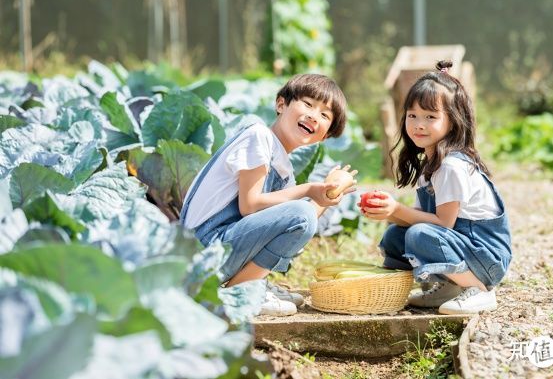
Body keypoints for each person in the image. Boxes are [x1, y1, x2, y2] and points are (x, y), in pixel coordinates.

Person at [181, 73, 356, 316]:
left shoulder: (283, 168)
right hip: (201, 252)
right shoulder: (259, 136)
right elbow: (250, 206)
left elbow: (298, 228)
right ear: (281, 104)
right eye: (307, 104)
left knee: (303, 216)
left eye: (324, 115)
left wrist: (325, 197)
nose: (313, 115)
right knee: (302, 212)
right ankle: (240, 291)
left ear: (325, 136)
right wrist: (308, 190)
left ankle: (252, 284)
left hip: (220, 251)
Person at [359, 60, 512, 314]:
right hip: (463, 246)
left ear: (453, 121)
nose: (419, 124)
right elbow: (420, 218)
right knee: (396, 235)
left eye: (430, 117)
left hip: (486, 258)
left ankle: (481, 290)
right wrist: (387, 212)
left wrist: (397, 207)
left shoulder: (452, 166)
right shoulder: (430, 163)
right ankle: (449, 286)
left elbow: (442, 225)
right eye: (412, 116)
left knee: (419, 235)